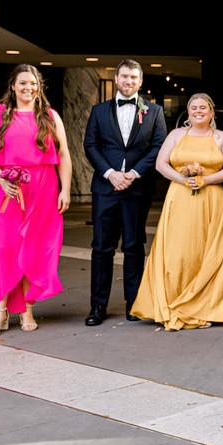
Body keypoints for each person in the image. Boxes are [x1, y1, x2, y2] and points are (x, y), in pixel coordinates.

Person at [0, 64, 72, 337]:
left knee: (35, 246)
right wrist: (2, 180)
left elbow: (64, 156)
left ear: (38, 87)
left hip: (43, 188)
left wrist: (65, 189)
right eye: (22, 83)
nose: (27, 88)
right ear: (13, 86)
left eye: (32, 83)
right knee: (1, 247)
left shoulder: (50, 116)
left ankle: (27, 308)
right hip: (6, 188)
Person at [131, 93, 223, 330]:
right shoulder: (176, 134)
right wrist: (183, 179)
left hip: (211, 199)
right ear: (188, 112)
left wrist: (206, 179)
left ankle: (205, 306)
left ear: (211, 112)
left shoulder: (221, 137)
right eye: (193, 108)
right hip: (179, 198)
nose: (198, 111)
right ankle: (172, 301)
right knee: (177, 251)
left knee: (210, 251)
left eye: (203, 108)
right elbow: (161, 164)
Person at [83, 59, 167, 325]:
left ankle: (134, 304)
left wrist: (133, 174)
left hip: (137, 189)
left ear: (140, 81)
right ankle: (98, 306)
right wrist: (110, 174)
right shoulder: (98, 110)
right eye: (124, 76)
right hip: (105, 189)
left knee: (133, 246)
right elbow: (90, 146)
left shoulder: (154, 111)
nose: (128, 81)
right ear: (116, 79)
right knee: (102, 248)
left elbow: (158, 147)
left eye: (133, 77)